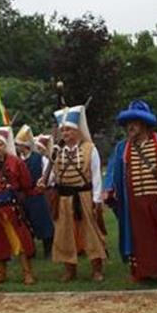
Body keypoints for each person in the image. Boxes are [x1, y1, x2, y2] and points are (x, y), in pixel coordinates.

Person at [103, 100, 157, 285]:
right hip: (132, 203)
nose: (130, 127)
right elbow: (113, 171)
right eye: (128, 123)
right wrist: (108, 190)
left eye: (134, 122)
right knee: (138, 238)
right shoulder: (122, 147)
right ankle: (141, 272)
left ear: (144, 124)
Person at [37, 105, 107, 282]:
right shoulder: (56, 151)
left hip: (84, 195)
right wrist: (44, 181)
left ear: (77, 131)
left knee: (91, 232)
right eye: (63, 130)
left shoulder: (90, 148)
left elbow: (96, 175)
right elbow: (51, 175)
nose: (65, 133)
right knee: (64, 233)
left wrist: (96, 199)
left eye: (68, 129)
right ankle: (69, 270)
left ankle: (97, 269)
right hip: (64, 198)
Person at [0, 126, 36, 285]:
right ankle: (0, 273)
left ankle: (27, 273)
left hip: (13, 208)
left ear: (5, 145)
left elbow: (26, 184)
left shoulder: (16, 162)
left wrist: (20, 195)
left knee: (20, 240)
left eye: (1, 144)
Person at [14, 125, 54, 258]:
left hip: (36, 195)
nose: (17, 147)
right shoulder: (16, 160)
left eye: (19, 145)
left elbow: (47, 174)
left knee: (43, 221)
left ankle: (48, 249)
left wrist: (43, 183)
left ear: (25, 145)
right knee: (26, 223)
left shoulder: (39, 158)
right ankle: (30, 250)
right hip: (23, 196)